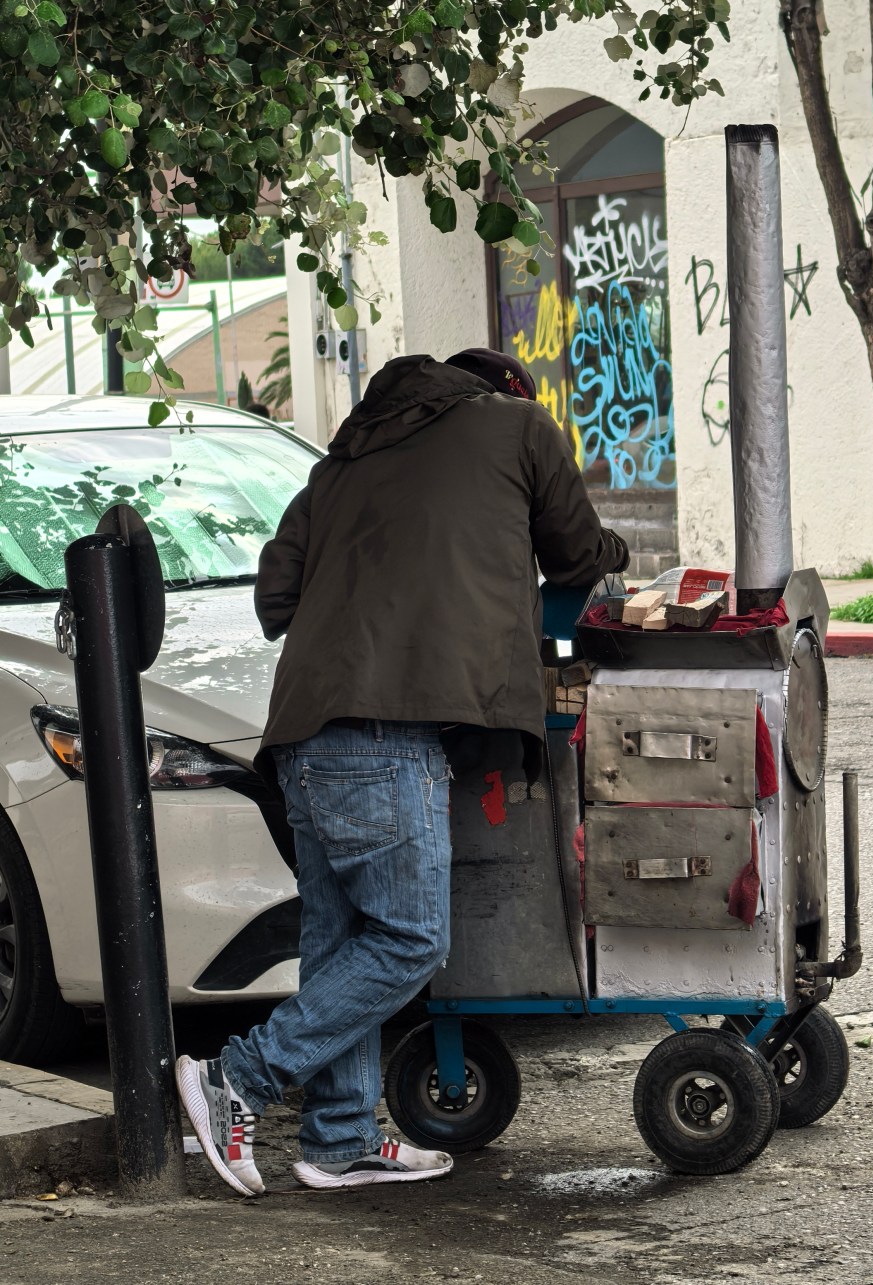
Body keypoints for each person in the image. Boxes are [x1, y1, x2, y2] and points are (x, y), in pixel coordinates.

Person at [175, 347, 628, 1197]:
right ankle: (238, 1074)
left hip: (302, 737)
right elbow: (575, 553)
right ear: (503, 392)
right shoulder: (520, 424)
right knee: (413, 936)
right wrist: (611, 546)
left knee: (340, 942)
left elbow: (276, 599)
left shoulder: (345, 461)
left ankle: (339, 1140)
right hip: (390, 733)